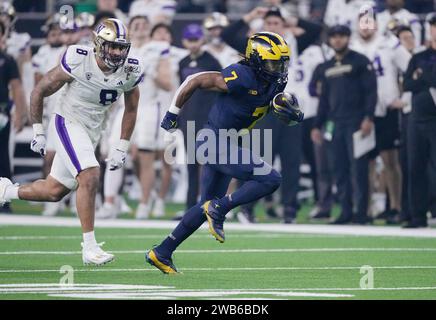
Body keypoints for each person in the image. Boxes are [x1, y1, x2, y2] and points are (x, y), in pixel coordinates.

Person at [145, 32, 303, 273]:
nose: (279, 68)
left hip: (229, 143)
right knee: (270, 178)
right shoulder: (242, 74)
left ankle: (162, 252)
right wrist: (172, 114)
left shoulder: (276, 82)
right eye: (274, 62)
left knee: (204, 205)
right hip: (213, 140)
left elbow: (264, 106)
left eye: (282, 62)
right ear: (257, 59)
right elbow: (196, 80)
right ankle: (221, 208)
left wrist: (288, 112)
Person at [0, 18, 143, 265]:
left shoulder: (131, 68)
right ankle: (89, 247)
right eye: (112, 46)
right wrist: (38, 130)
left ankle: (5, 190)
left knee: (53, 191)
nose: (118, 52)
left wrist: (121, 146)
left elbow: (131, 108)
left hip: (93, 129)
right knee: (89, 174)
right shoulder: (78, 58)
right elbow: (40, 90)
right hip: (67, 121)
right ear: (98, 44)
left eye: (122, 47)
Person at [311, 25, 378, 225]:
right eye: (334, 36)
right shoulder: (326, 66)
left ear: (348, 38)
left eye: (341, 36)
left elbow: (371, 92)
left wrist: (369, 117)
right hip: (334, 123)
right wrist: (317, 125)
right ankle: (345, 211)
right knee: (338, 169)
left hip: (356, 122)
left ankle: (362, 213)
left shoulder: (360, 61)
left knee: (358, 169)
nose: (337, 40)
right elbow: (323, 100)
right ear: (330, 40)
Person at [351, 13, 411, 223]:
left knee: (390, 161)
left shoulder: (390, 43)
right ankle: (365, 209)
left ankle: (395, 207)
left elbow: (411, 68)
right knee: (364, 163)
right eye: (362, 23)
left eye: (369, 22)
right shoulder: (352, 47)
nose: (366, 27)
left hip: (386, 110)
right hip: (360, 113)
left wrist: (404, 98)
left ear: (376, 24)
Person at [177, 24, 222, 211]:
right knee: (191, 163)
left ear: (202, 40)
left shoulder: (212, 62)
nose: (193, 44)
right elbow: (181, 91)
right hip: (189, 118)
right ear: (184, 41)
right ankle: (190, 206)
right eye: (190, 40)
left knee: (209, 163)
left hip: (207, 118)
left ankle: (209, 203)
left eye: (196, 40)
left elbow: (220, 88)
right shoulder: (182, 63)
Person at [402, 15, 436, 228]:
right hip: (417, 118)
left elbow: (429, 79)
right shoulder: (420, 56)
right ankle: (417, 216)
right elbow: (406, 84)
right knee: (415, 167)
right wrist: (423, 77)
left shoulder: (422, 62)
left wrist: (421, 77)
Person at [32, 14, 67, 216]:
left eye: (58, 32)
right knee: (49, 157)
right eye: (52, 32)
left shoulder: (69, 52)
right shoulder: (42, 54)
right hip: (49, 108)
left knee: (61, 156)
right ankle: (50, 196)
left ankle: (60, 197)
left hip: (64, 108)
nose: (55, 35)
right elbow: (39, 84)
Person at [0, 20, 27, 214]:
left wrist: (20, 112)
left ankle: (5, 199)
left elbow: (17, 86)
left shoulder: (7, 59)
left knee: (3, 158)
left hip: (0, 114)